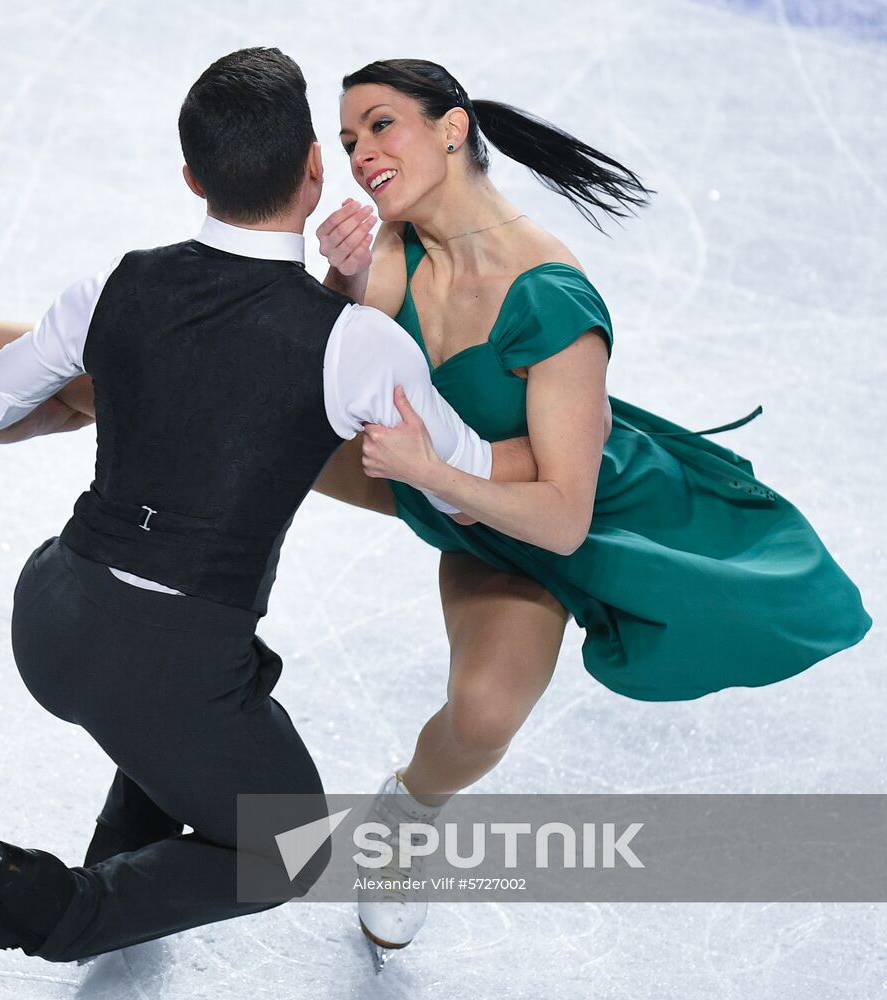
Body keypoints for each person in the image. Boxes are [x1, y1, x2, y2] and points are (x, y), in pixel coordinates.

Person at [0, 48, 539, 976]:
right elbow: (469, 480)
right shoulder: (360, 346)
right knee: (290, 844)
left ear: (191, 179)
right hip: (168, 659)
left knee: (203, 702)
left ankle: (120, 862)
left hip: (51, 617)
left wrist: (107, 405)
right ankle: (40, 902)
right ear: (315, 168)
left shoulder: (116, 283)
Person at [307, 58, 872, 953]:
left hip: (563, 523)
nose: (360, 154)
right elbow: (353, 366)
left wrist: (434, 474)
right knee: (223, 415)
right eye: (347, 141)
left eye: (380, 125)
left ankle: (405, 816)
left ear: (451, 127)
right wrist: (337, 286)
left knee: (485, 715)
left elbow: (563, 516)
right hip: (442, 479)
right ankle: (46, 369)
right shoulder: (389, 242)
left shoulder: (550, 298)